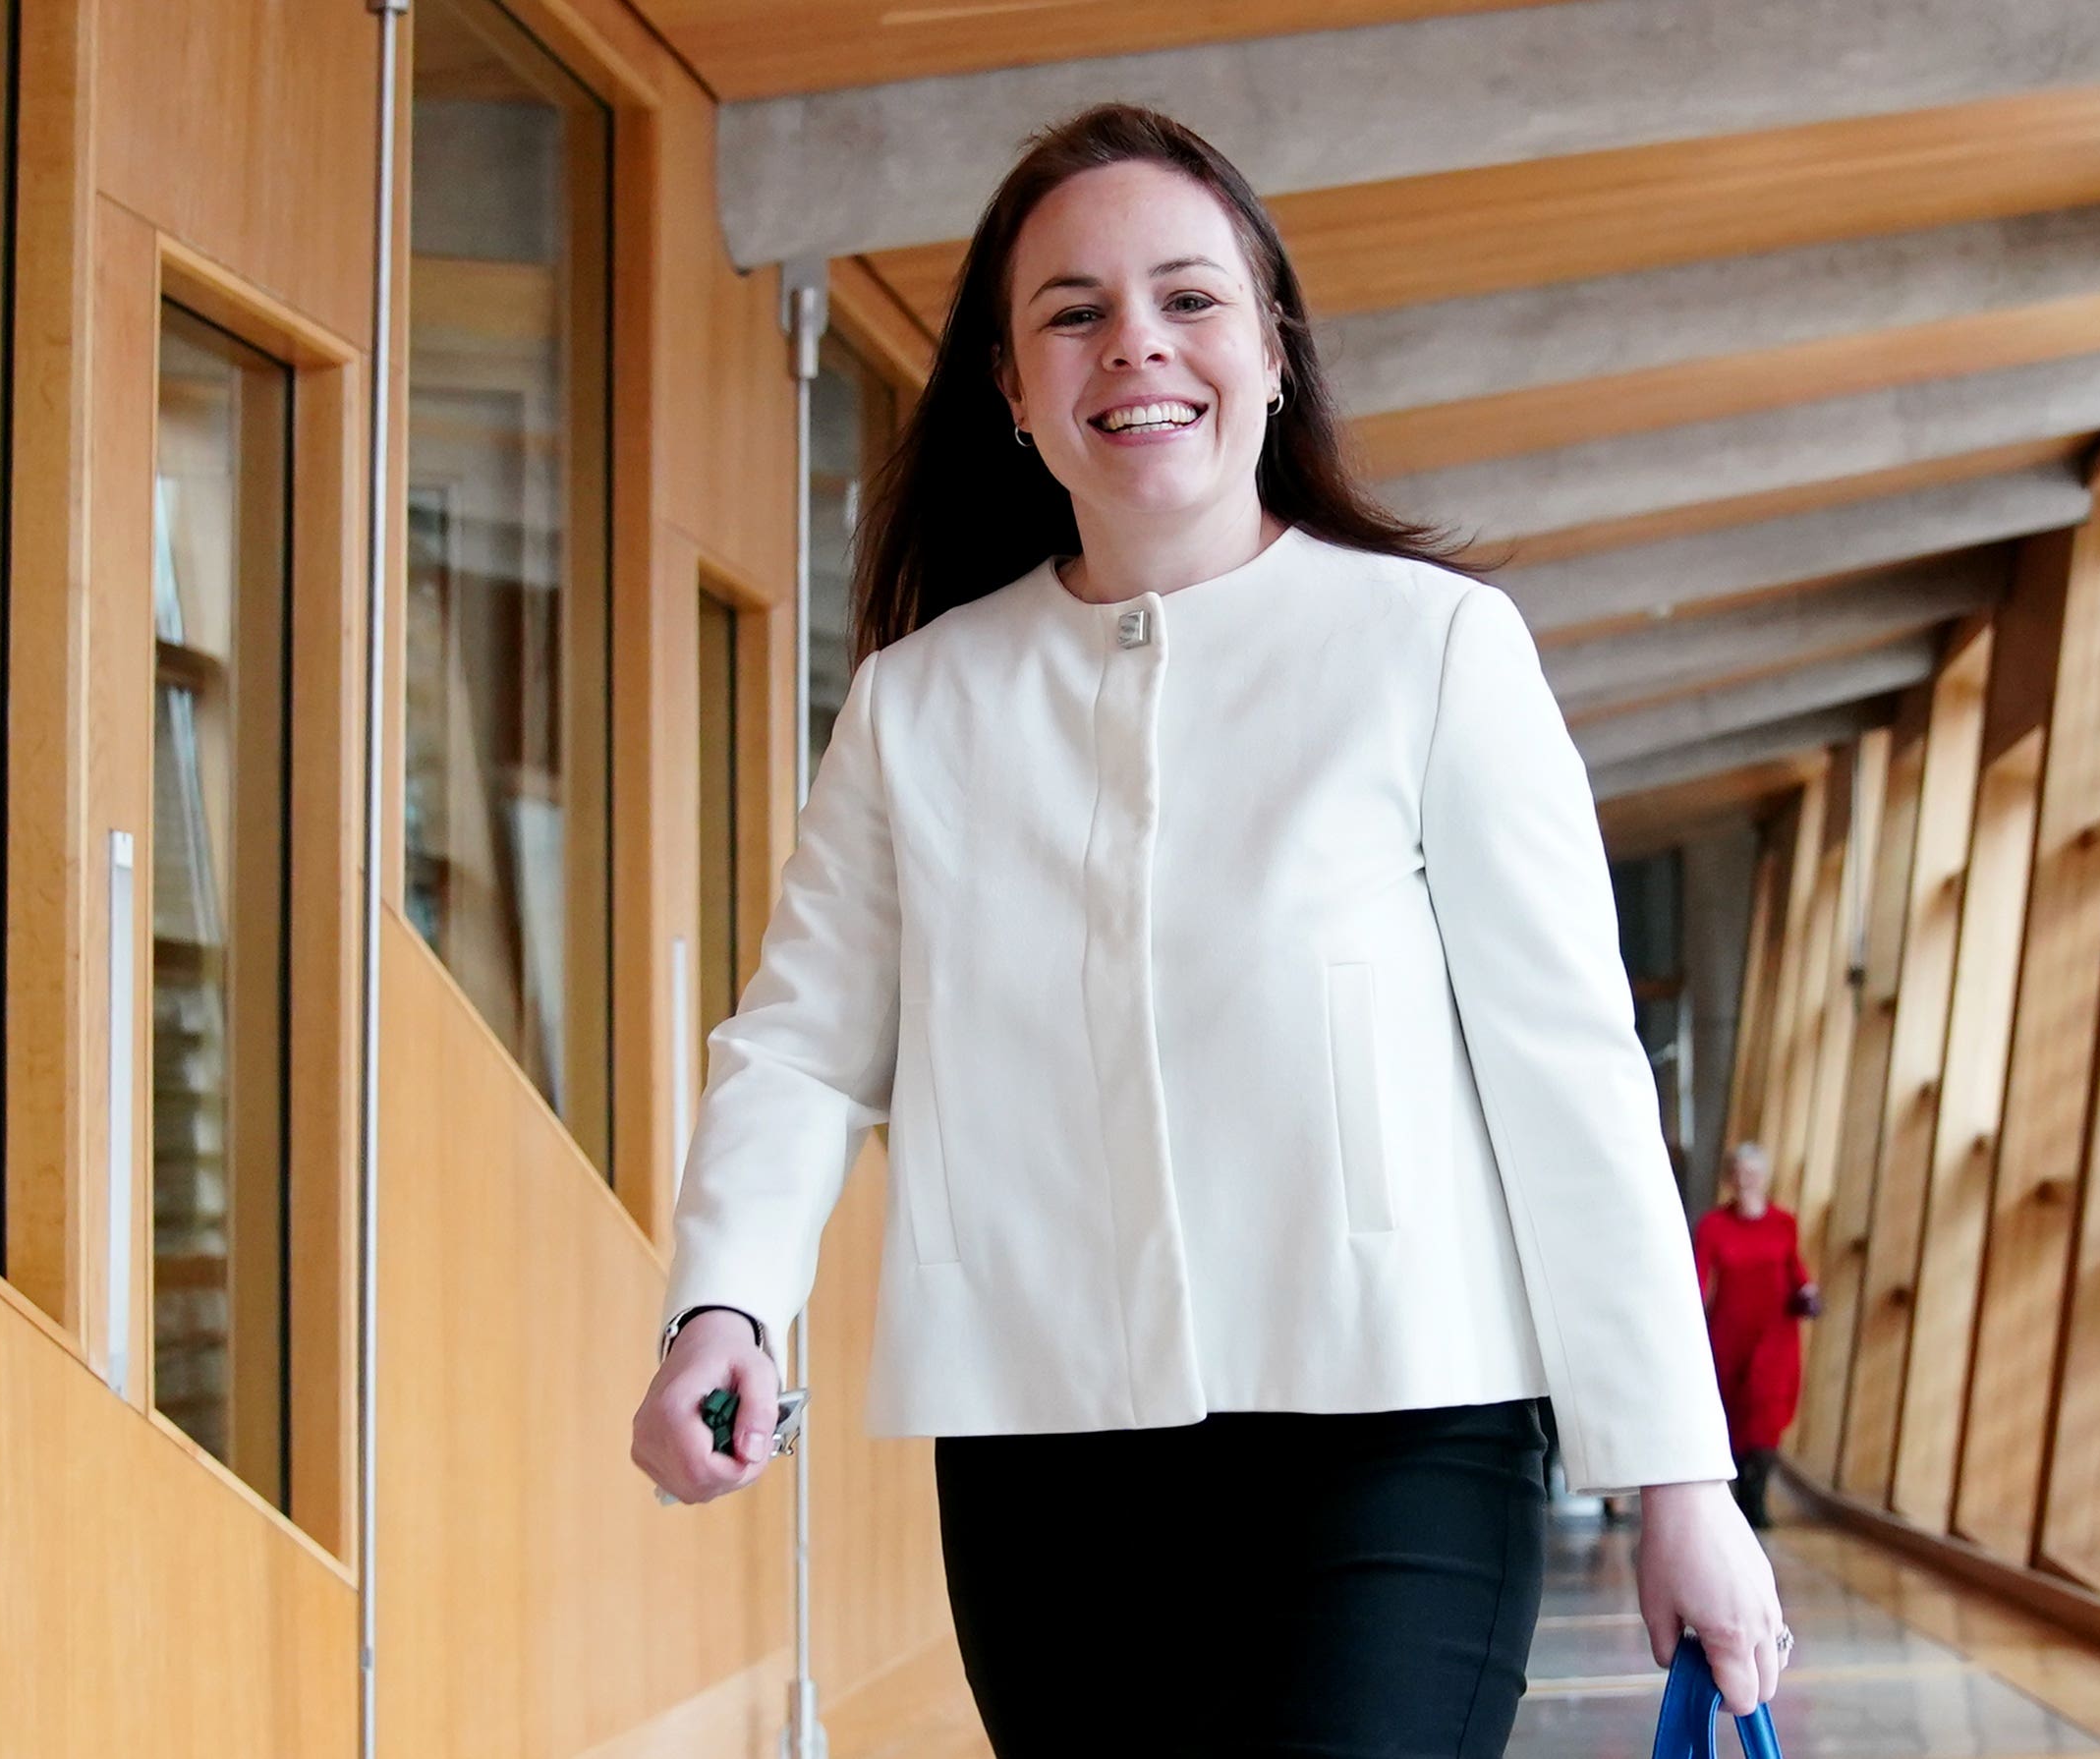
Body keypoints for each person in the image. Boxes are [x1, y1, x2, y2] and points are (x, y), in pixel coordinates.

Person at [630, 103, 1788, 1755]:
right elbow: (808, 1040)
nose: (1135, 347)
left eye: (1187, 299)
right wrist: (723, 1302)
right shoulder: (916, 708)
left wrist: (1679, 1479)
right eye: (1073, 313)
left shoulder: (1433, 650)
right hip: (1044, 1459)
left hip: (1403, 1431)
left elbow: (1570, 1074)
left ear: (1272, 350)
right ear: (1014, 393)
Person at [1693, 1142, 1819, 1529]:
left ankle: (1756, 1496)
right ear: (1730, 1179)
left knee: (1766, 1410)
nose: (1747, 1181)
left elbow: (1795, 1269)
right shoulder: (1714, 1226)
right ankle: (1734, 1494)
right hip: (1730, 1335)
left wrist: (1807, 1291)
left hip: (1776, 1334)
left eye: (1754, 1173)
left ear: (1765, 1178)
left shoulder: (1784, 1223)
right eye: (1740, 1173)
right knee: (1733, 1412)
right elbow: (1699, 1278)